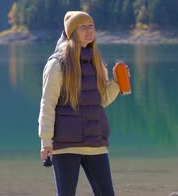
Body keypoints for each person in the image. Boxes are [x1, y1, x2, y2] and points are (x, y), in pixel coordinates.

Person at [38, 11, 121, 196]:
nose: (89, 30)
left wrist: (116, 83)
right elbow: (47, 104)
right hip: (66, 144)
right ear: (72, 32)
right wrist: (45, 141)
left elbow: (102, 101)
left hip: (96, 143)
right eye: (82, 27)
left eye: (91, 26)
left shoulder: (97, 62)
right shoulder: (57, 64)